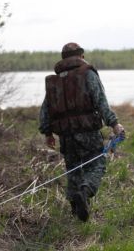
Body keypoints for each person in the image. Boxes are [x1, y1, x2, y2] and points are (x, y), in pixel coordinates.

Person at [39, 42, 125, 222]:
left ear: (63, 59)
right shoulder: (87, 73)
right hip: (87, 131)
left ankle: (75, 210)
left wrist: (47, 133)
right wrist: (114, 124)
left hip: (65, 135)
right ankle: (85, 192)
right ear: (81, 56)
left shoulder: (54, 81)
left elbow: (45, 109)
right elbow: (101, 101)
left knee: (73, 169)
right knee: (97, 165)